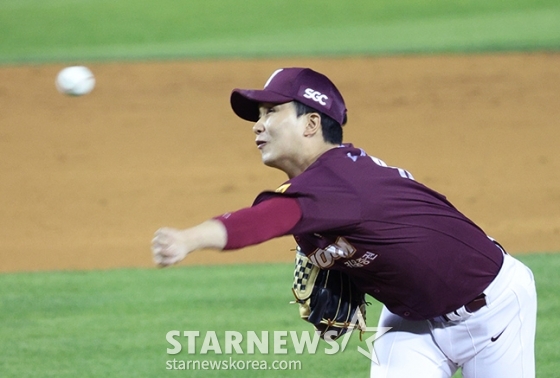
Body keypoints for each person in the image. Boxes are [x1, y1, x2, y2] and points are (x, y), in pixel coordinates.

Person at [151, 67, 537, 377]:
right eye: (258, 115)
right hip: (411, 319)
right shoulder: (314, 194)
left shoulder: (339, 183)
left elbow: (260, 221)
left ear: (311, 123)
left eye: (271, 112)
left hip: (493, 309)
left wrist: (189, 239)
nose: (257, 124)